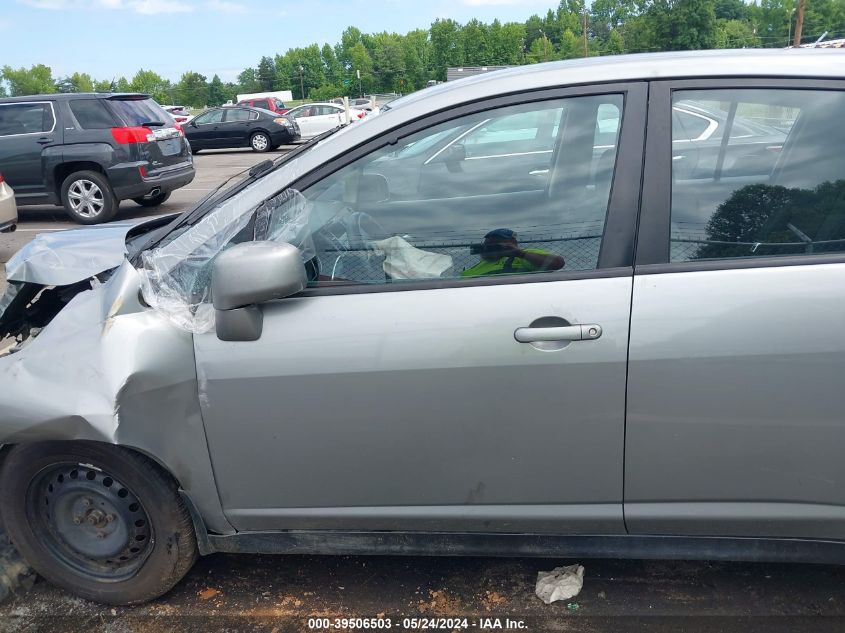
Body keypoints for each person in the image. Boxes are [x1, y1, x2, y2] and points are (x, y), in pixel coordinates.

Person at [461, 228, 565, 277]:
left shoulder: (524, 256)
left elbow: (558, 263)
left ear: (513, 244)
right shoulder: (475, 267)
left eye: (496, 244)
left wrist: (520, 254)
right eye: (487, 245)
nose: (491, 248)